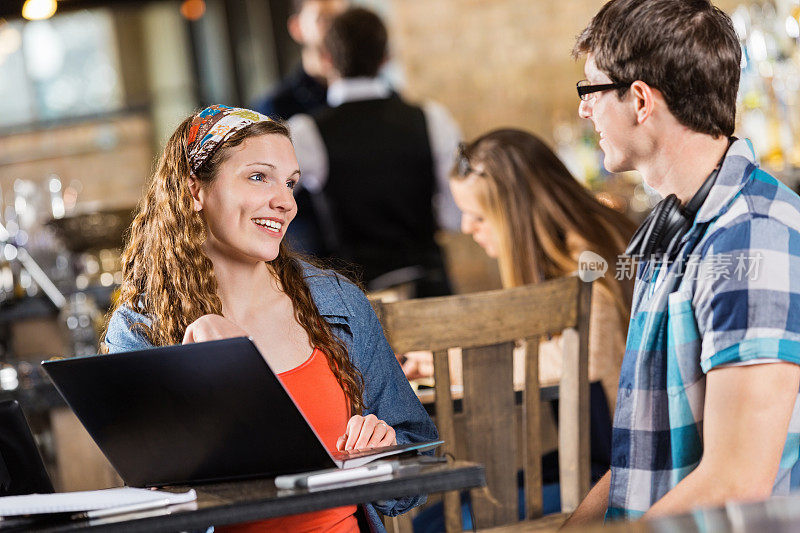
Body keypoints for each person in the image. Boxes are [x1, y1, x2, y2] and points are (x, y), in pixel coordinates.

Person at [102, 104, 437, 533]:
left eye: (291, 183)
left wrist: (384, 452)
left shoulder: (339, 302)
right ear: (194, 192)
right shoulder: (139, 329)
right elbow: (155, 508)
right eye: (259, 177)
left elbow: (418, 462)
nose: (285, 202)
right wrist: (213, 374)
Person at [565, 0, 800, 525]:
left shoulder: (750, 239)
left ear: (641, 101)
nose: (585, 110)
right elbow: (645, 457)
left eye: (591, 90)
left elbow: (737, 481)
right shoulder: (678, 223)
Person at [449, 128, 636, 408]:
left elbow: (584, 355)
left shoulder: (588, 260)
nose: (466, 227)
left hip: (622, 441)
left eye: (478, 216)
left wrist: (458, 365)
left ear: (518, 213)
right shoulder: (559, 257)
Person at [288, 7, 462, 297]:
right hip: (430, 288)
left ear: (326, 58)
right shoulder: (432, 118)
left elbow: (271, 203)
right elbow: (454, 217)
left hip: (356, 299)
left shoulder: (305, 132)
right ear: (386, 57)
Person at [252, 0, 349, 257]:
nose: (336, 30)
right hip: (310, 254)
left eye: (342, 19)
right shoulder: (274, 107)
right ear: (297, 28)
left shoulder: (379, 100)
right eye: (323, 20)